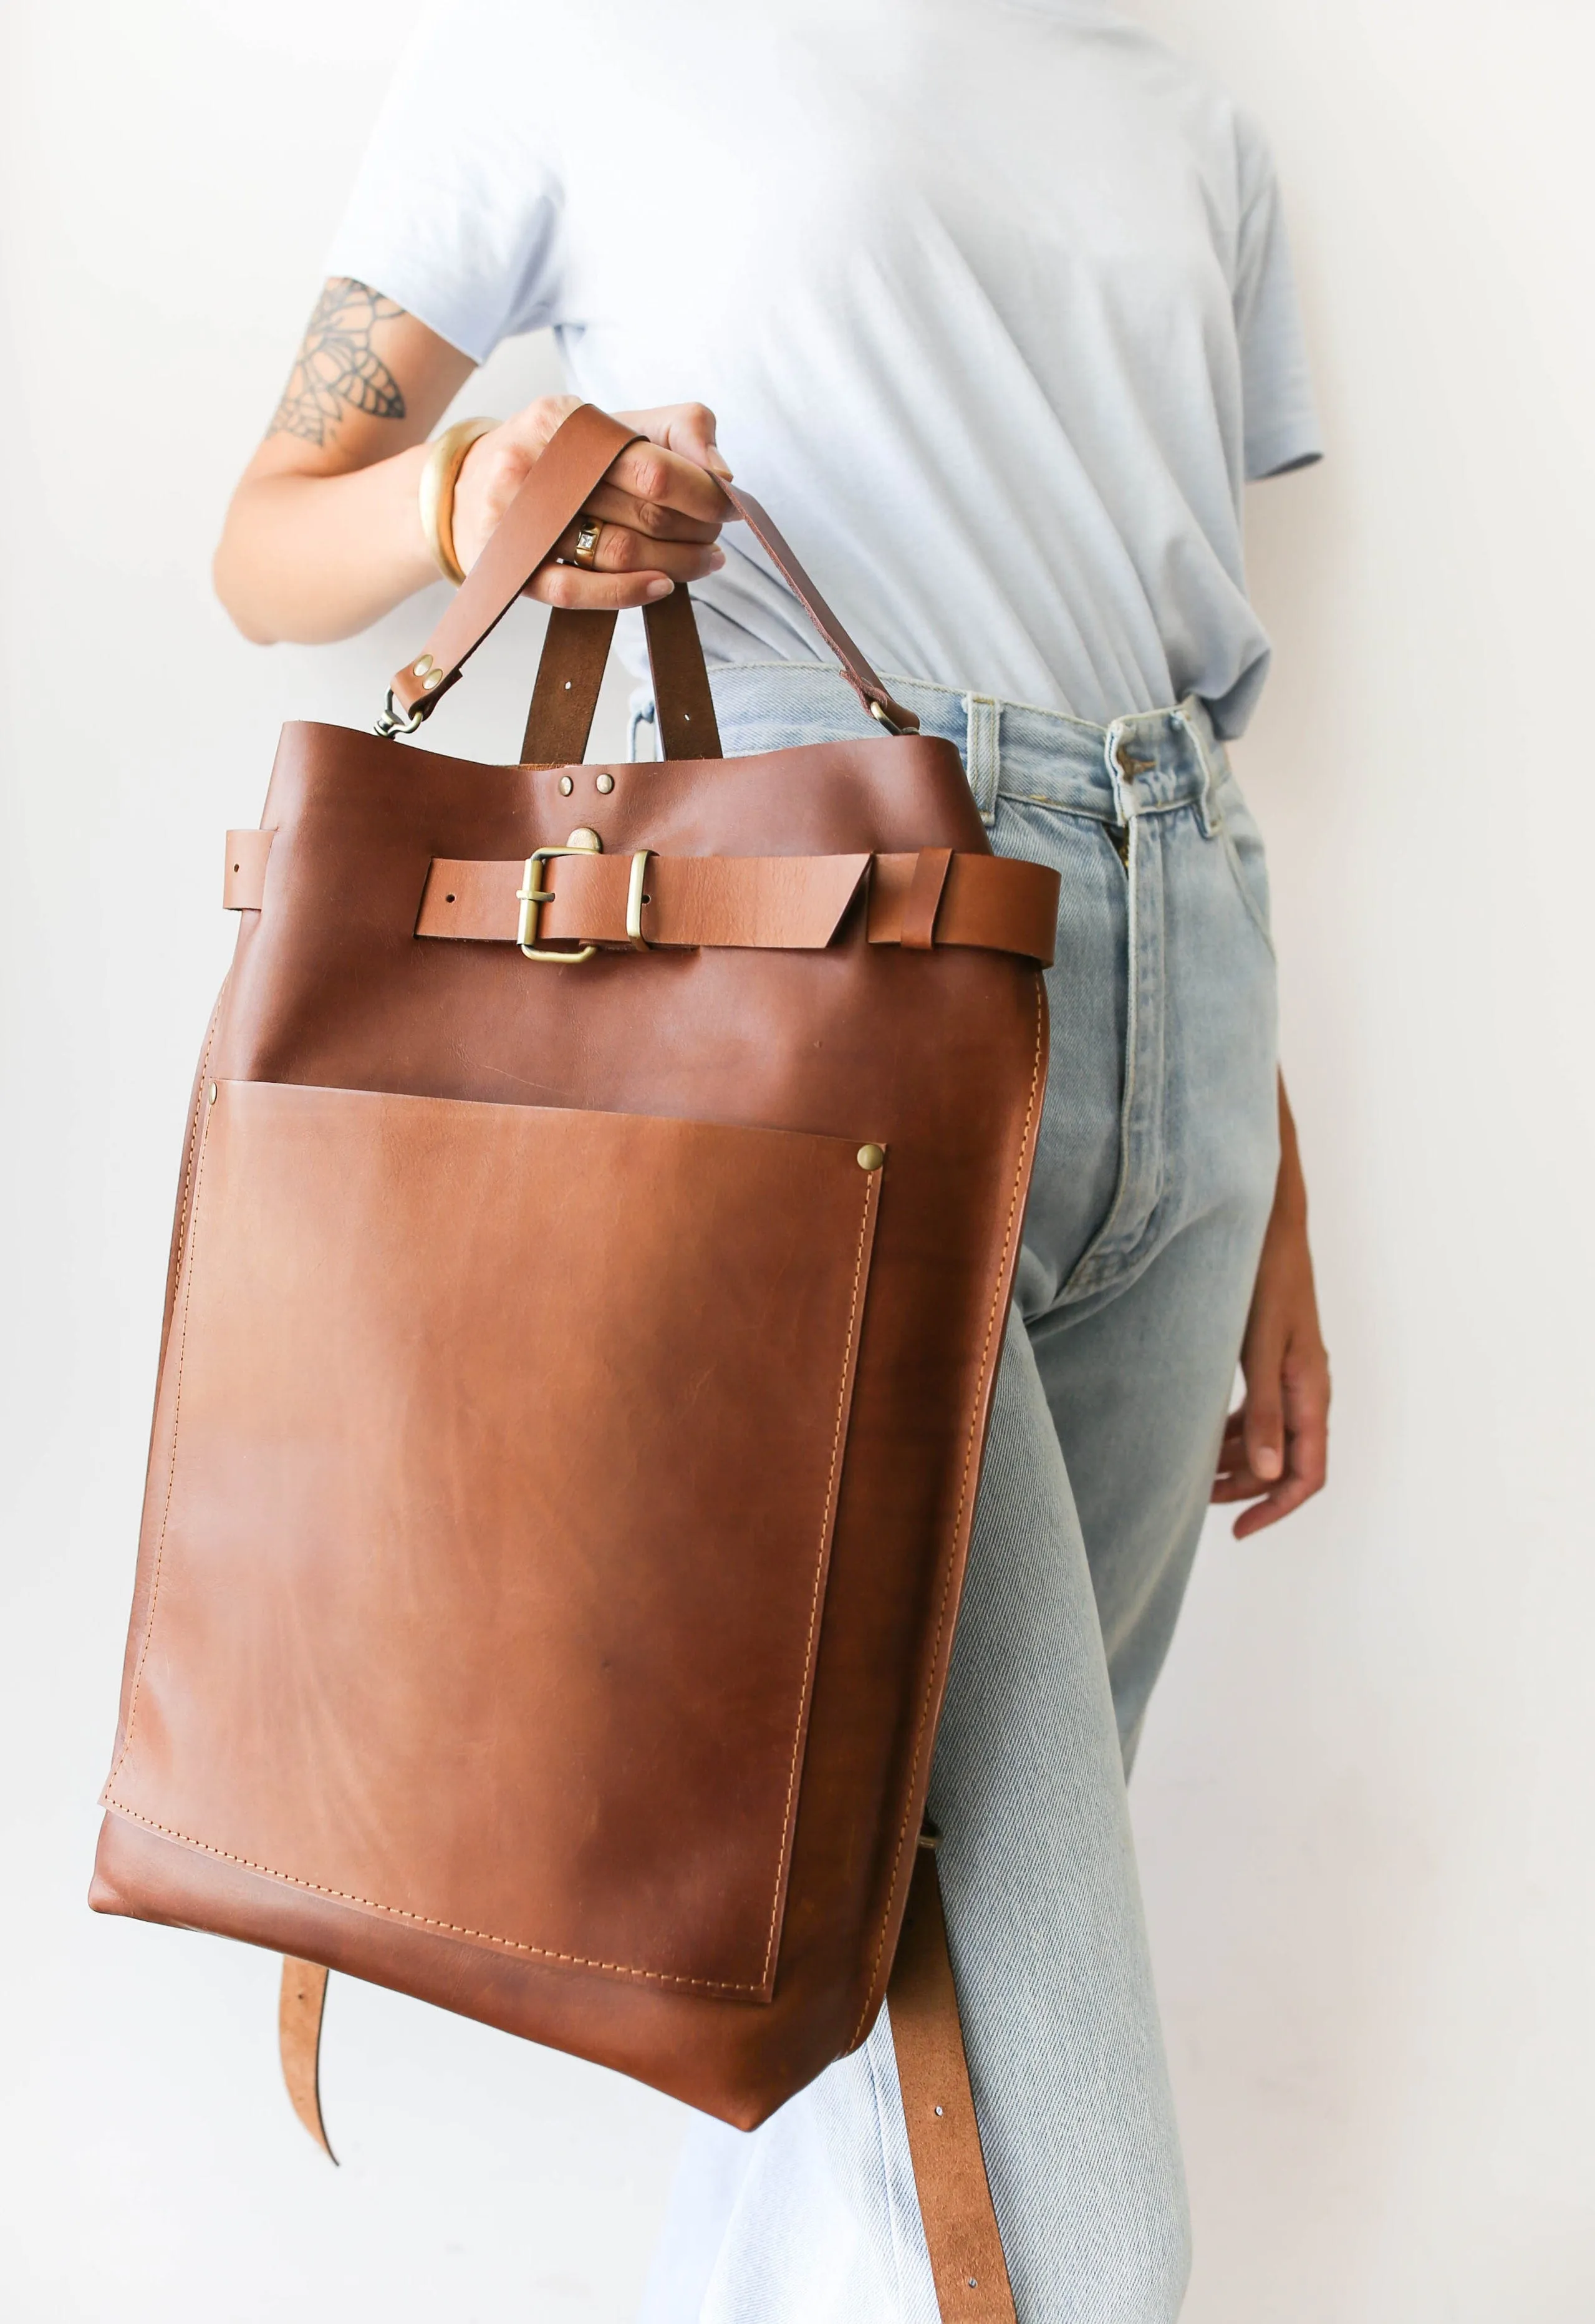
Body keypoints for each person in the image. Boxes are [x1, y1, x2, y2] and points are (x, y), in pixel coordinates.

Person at [216, 4, 1331, 2316]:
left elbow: (1158, 665)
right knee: (1043, 2133)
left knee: (869, 2006)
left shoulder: (1188, 118)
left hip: (1182, 981)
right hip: (809, 991)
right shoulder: (567, 51)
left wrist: (1272, 1186)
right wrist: (480, 495)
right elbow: (262, 551)